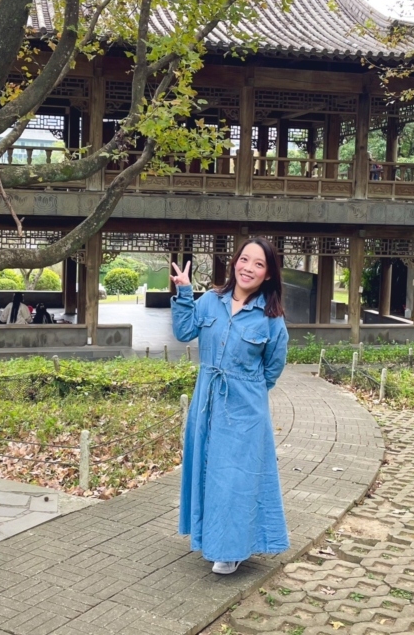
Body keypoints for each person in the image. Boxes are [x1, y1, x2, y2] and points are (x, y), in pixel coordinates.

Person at [170, 237, 290, 575]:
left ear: (268, 275)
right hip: (206, 402)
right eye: (244, 259)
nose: (248, 268)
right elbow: (183, 331)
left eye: (259, 264)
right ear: (235, 262)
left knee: (235, 478)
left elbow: (272, 368)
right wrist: (183, 292)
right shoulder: (210, 301)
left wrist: (246, 390)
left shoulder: (271, 317)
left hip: (244, 409)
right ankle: (214, 538)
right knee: (209, 472)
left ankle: (231, 549)